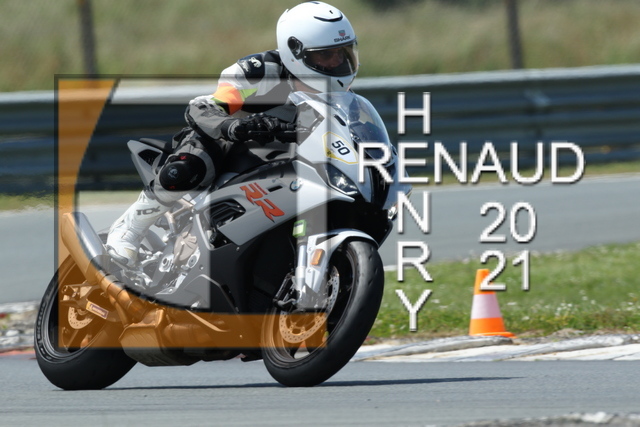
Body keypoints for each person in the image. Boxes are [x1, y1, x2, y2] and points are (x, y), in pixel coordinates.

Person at [106, 1, 360, 266]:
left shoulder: (343, 98)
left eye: (343, 53)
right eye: (326, 55)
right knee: (193, 162)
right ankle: (130, 228)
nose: (337, 62)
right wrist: (234, 126)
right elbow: (204, 108)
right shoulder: (259, 72)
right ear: (296, 52)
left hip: (284, 164)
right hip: (230, 148)